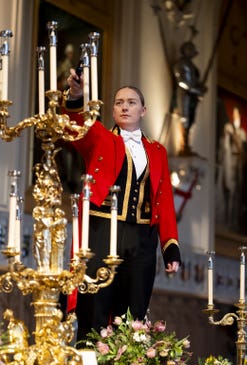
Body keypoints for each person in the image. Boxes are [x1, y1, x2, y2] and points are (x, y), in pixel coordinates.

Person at [63, 71, 181, 343]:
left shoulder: (158, 151)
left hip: (142, 240)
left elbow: (164, 199)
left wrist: (170, 245)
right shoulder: (101, 138)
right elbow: (76, 124)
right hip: (101, 232)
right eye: (118, 102)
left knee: (133, 317)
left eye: (130, 102)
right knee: (94, 307)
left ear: (143, 110)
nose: (124, 106)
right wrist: (77, 96)